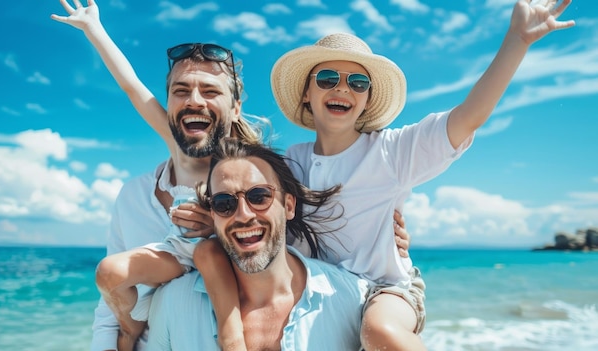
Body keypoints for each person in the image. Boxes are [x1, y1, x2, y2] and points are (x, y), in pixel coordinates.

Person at [50, 1, 413, 350]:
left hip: (219, 302)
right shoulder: (134, 196)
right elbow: (134, 89)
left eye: (210, 91)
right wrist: (95, 30)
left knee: (210, 253)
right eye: (181, 92)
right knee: (114, 273)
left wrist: (387, 235)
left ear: (236, 107)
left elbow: (321, 216)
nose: (194, 101)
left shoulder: (253, 175)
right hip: (160, 327)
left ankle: (231, 338)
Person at [269, 0, 575, 350]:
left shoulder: (392, 151)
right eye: (327, 79)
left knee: (379, 331)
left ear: (368, 99)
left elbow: (467, 117)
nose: (342, 89)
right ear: (307, 93)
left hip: (386, 289)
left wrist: (516, 40)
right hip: (320, 291)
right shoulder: (290, 164)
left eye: (357, 82)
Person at [147, 137, 371, 350]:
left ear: (289, 206)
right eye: (224, 203)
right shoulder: (172, 304)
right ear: (214, 215)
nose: (243, 215)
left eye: (259, 196)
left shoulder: (353, 300)